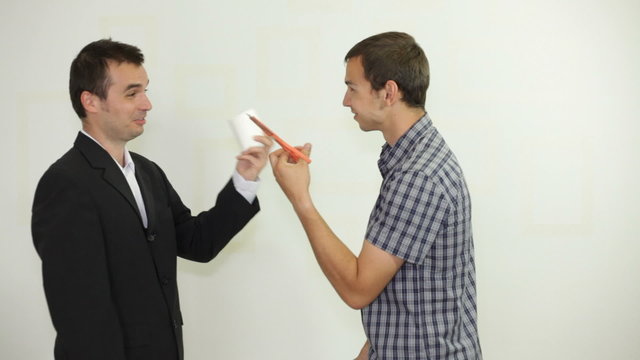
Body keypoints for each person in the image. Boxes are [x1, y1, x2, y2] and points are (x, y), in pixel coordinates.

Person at [31, 39, 272, 360]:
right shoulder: (65, 183)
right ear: (90, 100)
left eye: (145, 90)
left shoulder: (148, 173)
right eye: (132, 93)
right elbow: (79, 313)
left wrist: (245, 178)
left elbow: (198, 243)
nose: (147, 104)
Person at [269, 32, 482, 359]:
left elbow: (357, 289)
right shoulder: (415, 160)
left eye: (352, 88)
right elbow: (410, 290)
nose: (345, 101)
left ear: (388, 92)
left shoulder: (417, 176)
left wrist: (301, 200)